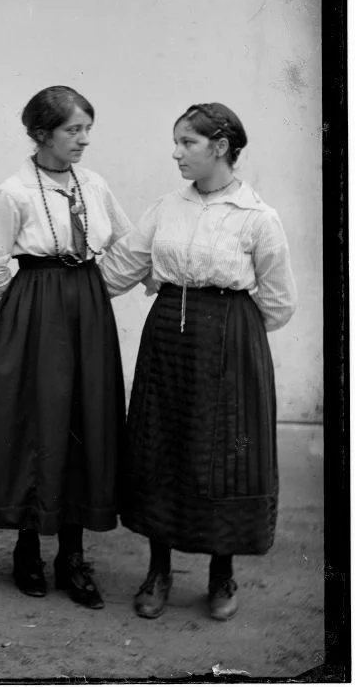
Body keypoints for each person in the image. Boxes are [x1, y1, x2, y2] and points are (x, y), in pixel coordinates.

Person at [100, 103, 297, 621]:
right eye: (177, 142)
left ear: (221, 147)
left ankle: (221, 573)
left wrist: (232, 331)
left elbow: (279, 302)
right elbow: (119, 269)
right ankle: (158, 571)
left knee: (225, 455)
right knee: (162, 447)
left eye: (187, 142)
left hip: (230, 345)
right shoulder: (167, 207)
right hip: (168, 339)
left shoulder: (258, 217)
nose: (177, 153)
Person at [0, 86, 131, 609]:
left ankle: (72, 556)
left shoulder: (94, 184)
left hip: (88, 308)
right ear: (42, 134)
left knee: (85, 419)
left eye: (87, 129)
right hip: (35, 310)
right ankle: (27, 549)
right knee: (35, 421)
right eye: (72, 130)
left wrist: (95, 290)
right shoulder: (13, 193)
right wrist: (29, 305)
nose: (83, 140)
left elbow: (127, 242)